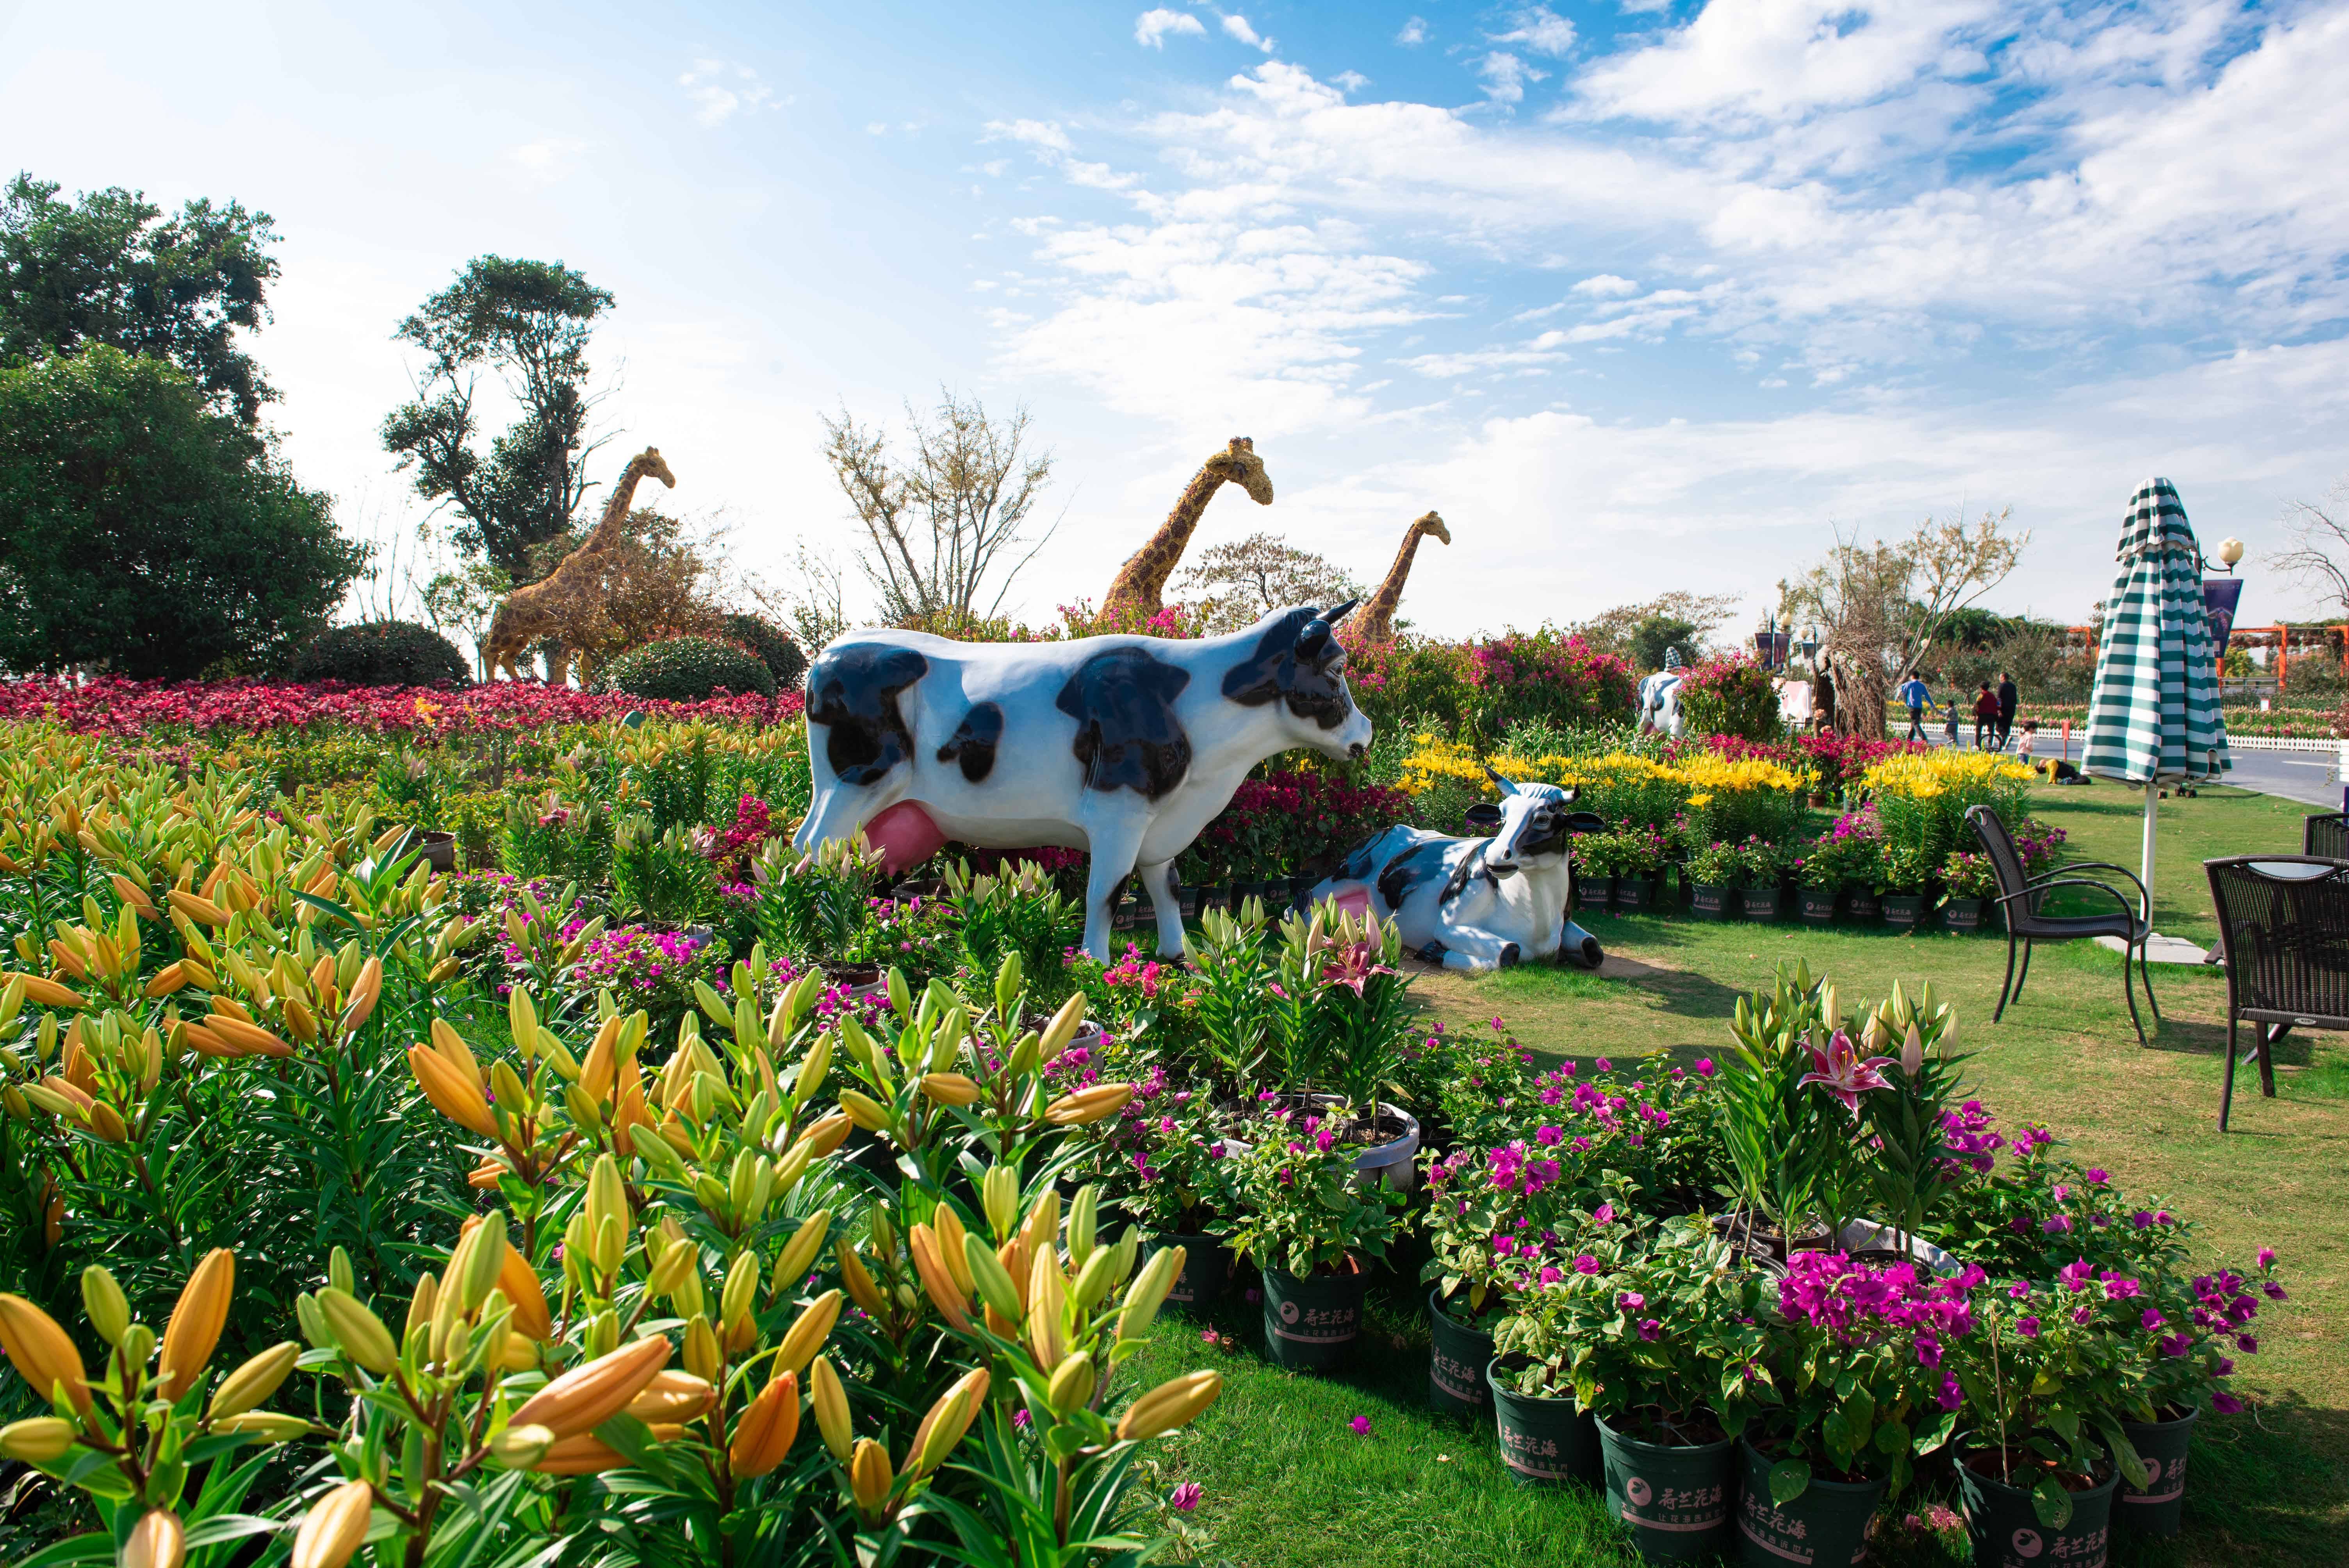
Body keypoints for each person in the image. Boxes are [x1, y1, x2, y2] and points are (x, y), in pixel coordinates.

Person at [1896, 671, 1934, 741]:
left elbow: (1902, 691)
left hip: (1912, 706)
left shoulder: (1909, 684)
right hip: (1919, 707)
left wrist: (1898, 698)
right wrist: (1932, 705)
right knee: (1914, 724)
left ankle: (1924, 739)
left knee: (1915, 723)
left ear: (1912, 677)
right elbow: (1927, 696)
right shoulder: (1922, 686)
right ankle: (1909, 740)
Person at [1972, 682, 1999, 750]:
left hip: (1982, 715)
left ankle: (1977, 744)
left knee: (1978, 730)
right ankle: (1990, 744)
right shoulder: (1992, 696)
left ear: (1981, 688)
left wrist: (1974, 714)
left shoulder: (1981, 695)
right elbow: (1997, 705)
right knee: (1991, 731)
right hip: (1992, 715)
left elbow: (1977, 705)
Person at [1996, 670, 2019, 750]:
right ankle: (2004, 743)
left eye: (2000, 677)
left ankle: (2007, 737)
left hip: (2003, 709)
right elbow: (2015, 698)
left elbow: (1999, 698)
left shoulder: (2002, 686)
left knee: (1999, 727)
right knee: (2007, 726)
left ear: (2003, 678)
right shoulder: (2013, 686)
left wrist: (1998, 709)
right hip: (2011, 709)